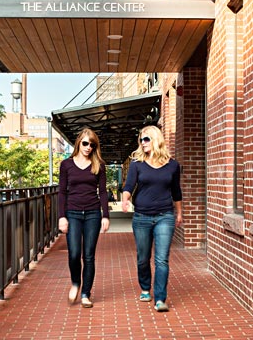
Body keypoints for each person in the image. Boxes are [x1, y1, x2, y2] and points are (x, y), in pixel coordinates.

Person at [120, 125, 182, 313]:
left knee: (162, 259)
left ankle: (160, 298)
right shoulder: (137, 164)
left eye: (146, 139)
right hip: (142, 217)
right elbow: (129, 185)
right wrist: (125, 199)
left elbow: (176, 191)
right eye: (141, 139)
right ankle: (145, 288)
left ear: (155, 140)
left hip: (165, 216)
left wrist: (179, 213)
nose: (142, 143)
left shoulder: (173, 165)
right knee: (142, 258)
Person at [57, 128, 110, 308]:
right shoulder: (66, 165)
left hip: (93, 214)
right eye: (86, 143)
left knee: (88, 256)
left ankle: (86, 293)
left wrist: (106, 215)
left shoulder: (99, 165)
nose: (88, 147)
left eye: (92, 145)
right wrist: (61, 217)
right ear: (79, 142)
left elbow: (102, 192)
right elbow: (62, 193)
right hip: (72, 213)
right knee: (73, 254)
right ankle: (75, 284)